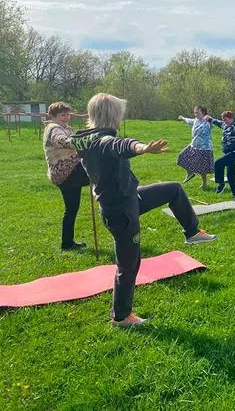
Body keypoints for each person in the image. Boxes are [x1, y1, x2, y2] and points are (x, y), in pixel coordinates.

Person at [72, 93, 216, 328]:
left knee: (173, 190)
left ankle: (192, 232)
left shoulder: (86, 140)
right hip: (120, 212)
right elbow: (121, 145)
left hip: (129, 199)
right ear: (112, 116)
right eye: (119, 114)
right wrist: (141, 148)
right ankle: (121, 316)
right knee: (129, 265)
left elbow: (89, 149)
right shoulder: (104, 141)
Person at [43, 102, 90, 250]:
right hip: (65, 172)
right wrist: (80, 142)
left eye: (67, 114)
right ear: (53, 116)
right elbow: (61, 140)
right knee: (99, 168)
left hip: (68, 174)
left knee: (72, 209)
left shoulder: (65, 128)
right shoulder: (53, 129)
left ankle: (67, 243)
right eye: (62, 115)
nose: (66, 117)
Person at [206, 110, 235, 198]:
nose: (225, 122)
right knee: (230, 173)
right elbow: (217, 122)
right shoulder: (224, 124)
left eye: (226, 120)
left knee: (218, 163)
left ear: (231, 118)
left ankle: (221, 183)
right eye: (223, 120)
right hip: (229, 153)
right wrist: (209, 119)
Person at [176, 106, 214, 190]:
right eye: (195, 112)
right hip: (194, 145)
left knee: (202, 168)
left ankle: (204, 184)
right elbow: (190, 121)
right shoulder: (196, 120)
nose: (195, 114)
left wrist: (210, 119)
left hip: (204, 148)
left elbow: (213, 124)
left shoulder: (207, 122)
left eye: (198, 113)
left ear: (203, 113)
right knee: (182, 156)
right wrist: (183, 118)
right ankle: (190, 173)